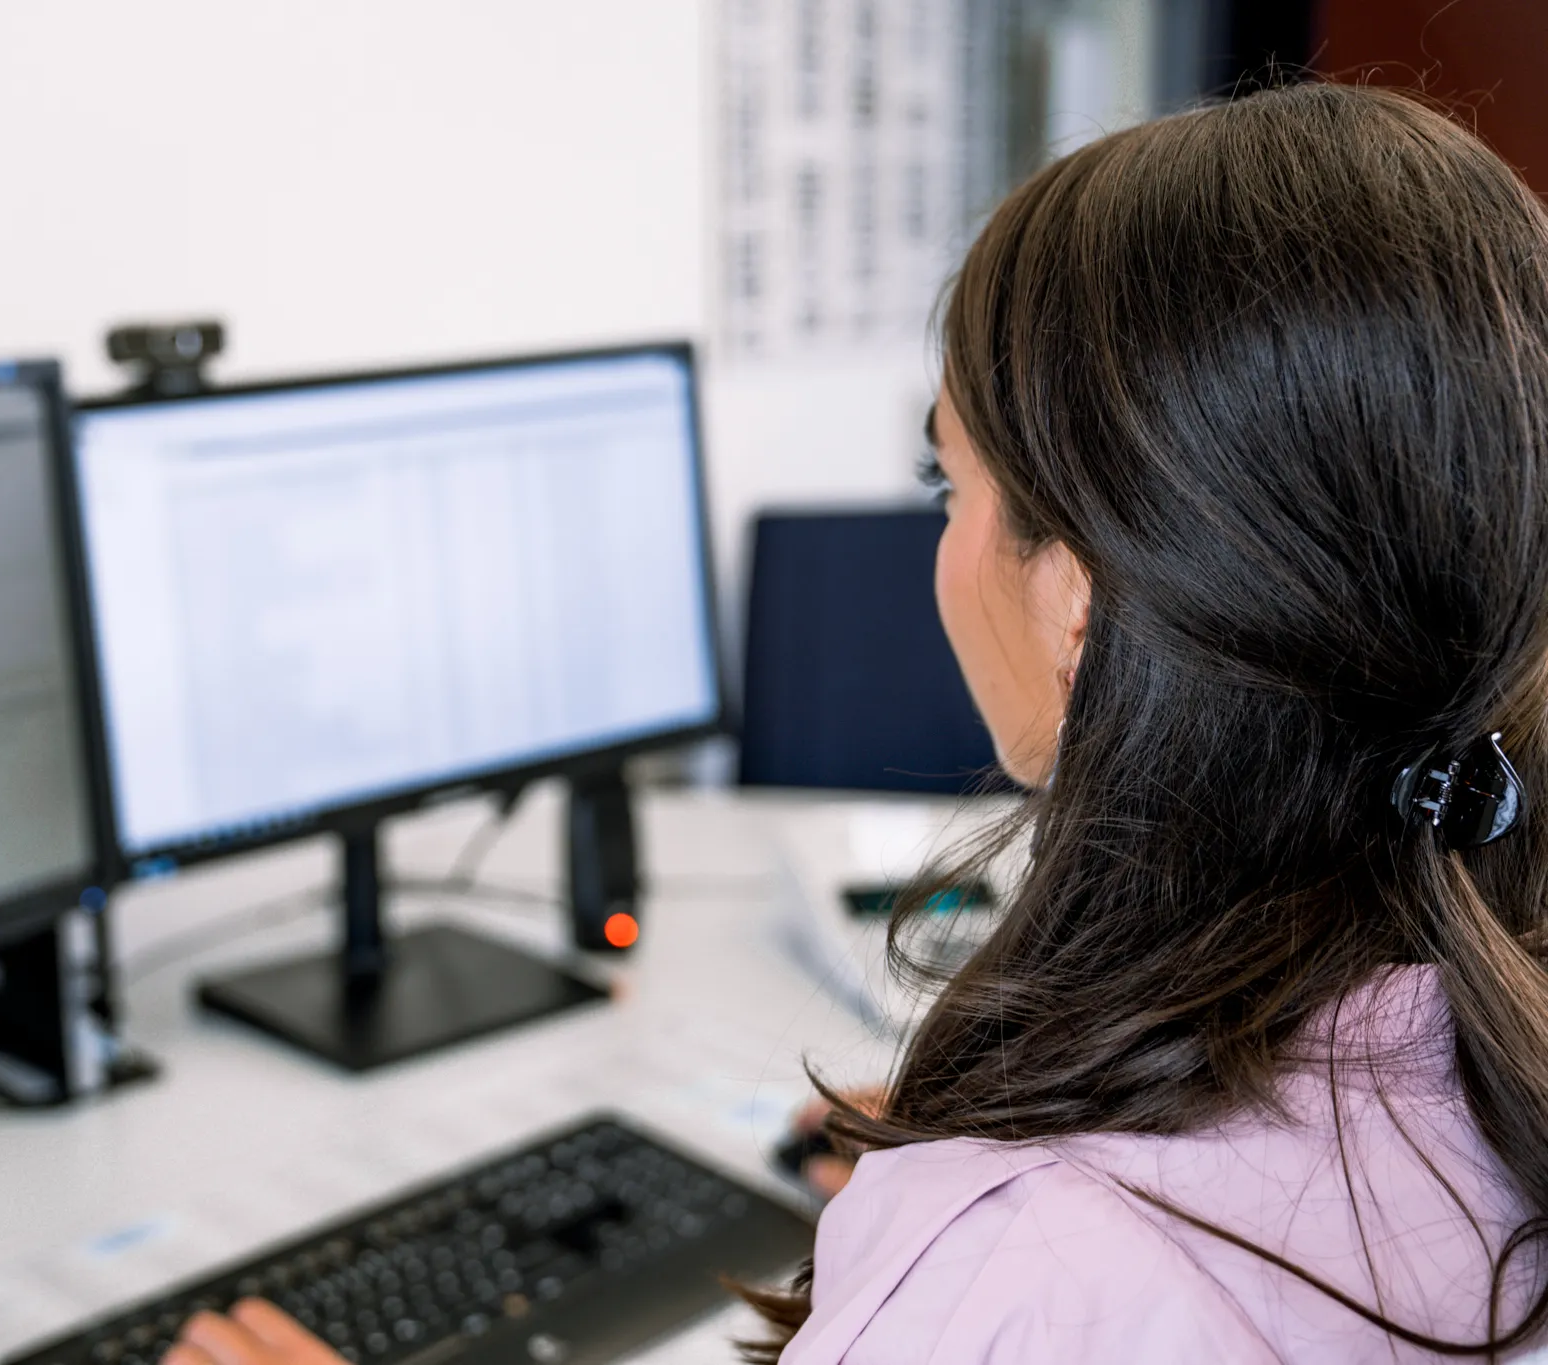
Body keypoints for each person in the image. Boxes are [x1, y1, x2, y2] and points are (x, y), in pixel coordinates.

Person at [166, 80, 1548, 1365]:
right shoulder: (1493, 1031)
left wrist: (971, 1221)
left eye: (944, 481)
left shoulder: (1028, 1271)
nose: (939, 542)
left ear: (1076, 607)